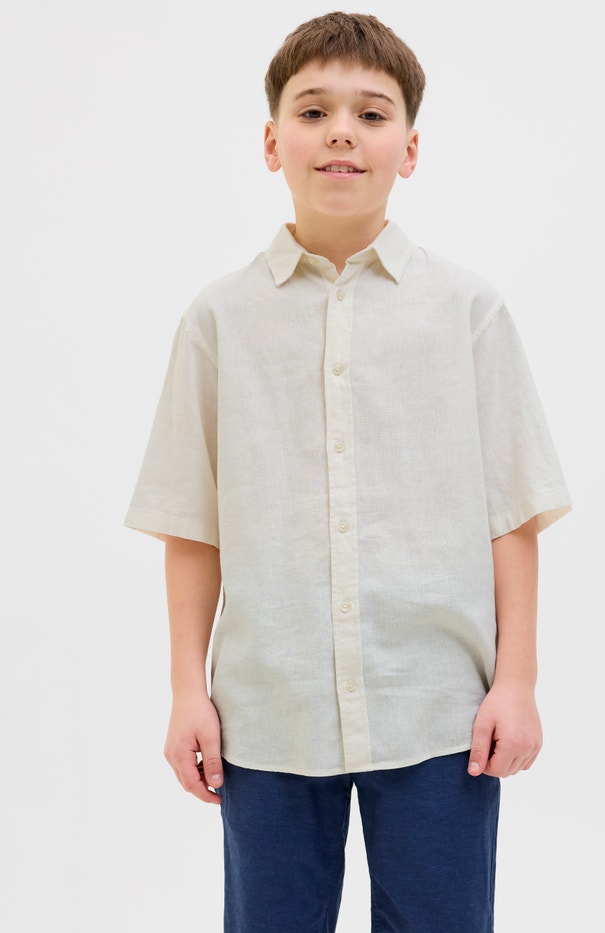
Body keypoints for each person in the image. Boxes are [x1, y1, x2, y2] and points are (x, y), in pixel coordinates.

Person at [125, 11, 571, 932]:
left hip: (439, 712)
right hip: (266, 712)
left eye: (371, 114)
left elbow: (512, 514)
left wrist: (517, 682)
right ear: (270, 141)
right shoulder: (219, 320)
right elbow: (192, 525)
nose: (340, 132)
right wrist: (186, 691)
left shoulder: (467, 310)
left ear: (410, 148)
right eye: (312, 110)